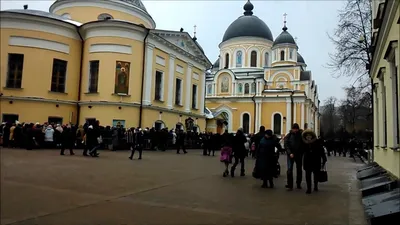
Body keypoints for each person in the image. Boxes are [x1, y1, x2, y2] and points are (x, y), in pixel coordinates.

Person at [302, 130, 327, 194]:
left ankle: (315, 185)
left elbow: (321, 151)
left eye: (310, 135)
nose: (308, 137)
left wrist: (324, 158)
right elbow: (301, 151)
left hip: (316, 160)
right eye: (307, 136)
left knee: (316, 174)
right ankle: (309, 188)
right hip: (307, 161)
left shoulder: (317, 142)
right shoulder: (304, 143)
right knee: (308, 175)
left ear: (312, 136)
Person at [284, 123, 304, 190]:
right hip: (291, 155)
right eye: (294, 129)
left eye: (296, 129)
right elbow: (286, 145)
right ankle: (290, 185)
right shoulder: (289, 135)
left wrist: (302, 152)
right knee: (289, 170)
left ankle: (298, 183)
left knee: (299, 170)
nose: (295, 130)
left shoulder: (301, 135)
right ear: (292, 129)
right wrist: (290, 153)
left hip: (299, 154)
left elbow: (304, 144)